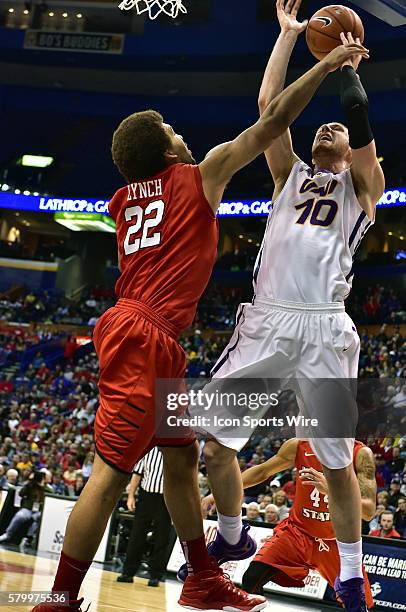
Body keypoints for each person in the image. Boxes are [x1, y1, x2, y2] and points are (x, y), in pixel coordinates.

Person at [31, 35, 368, 612]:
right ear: (167, 153)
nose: (182, 136)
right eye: (172, 134)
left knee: (183, 456)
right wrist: (328, 62)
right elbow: (273, 117)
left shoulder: (124, 199)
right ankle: (58, 599)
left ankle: (204, 576)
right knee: (112, 474)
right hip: (159, 331)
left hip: (168, 333)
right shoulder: (197, 176)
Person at [188, 2, 383, 611]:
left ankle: (351, 575)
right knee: (214, 446)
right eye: (322, 129)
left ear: (351, 153)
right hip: (268, 321)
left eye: (337, 133)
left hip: (326, 326)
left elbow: (357, 113)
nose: (328, 129)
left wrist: (344, 63)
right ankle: (232, 534)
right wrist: (291, 38)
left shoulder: (362, 188)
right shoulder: (288, 175)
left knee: (334, 461)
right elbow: (270, 108)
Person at [202, 438, 375, 609]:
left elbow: (368, 511)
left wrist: (332, 490)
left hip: (337, 540)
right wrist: (219, 492)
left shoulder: (360, 453)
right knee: (251, 579)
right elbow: (262, 471)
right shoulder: (299, 445)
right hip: (296, 531)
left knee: (359, 604)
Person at [116, 448, 173, 587]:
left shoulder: (175, 451)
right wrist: (130, 496)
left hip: (167, 499)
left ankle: (156, 575)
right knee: (137, 535)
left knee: (162, 538)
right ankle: (128, 573)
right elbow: (137, 473)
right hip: (146, 496)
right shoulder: (148, 449)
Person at [0, 471, 52, 546]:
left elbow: (50, 495)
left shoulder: (48, 488)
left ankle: (28, 538)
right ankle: (7, 534)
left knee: (38, 518)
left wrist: (42, 486)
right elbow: (21, 493)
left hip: (40, 511)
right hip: (28, 509)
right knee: (19, 516)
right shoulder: (30, 486)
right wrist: (30, 483)